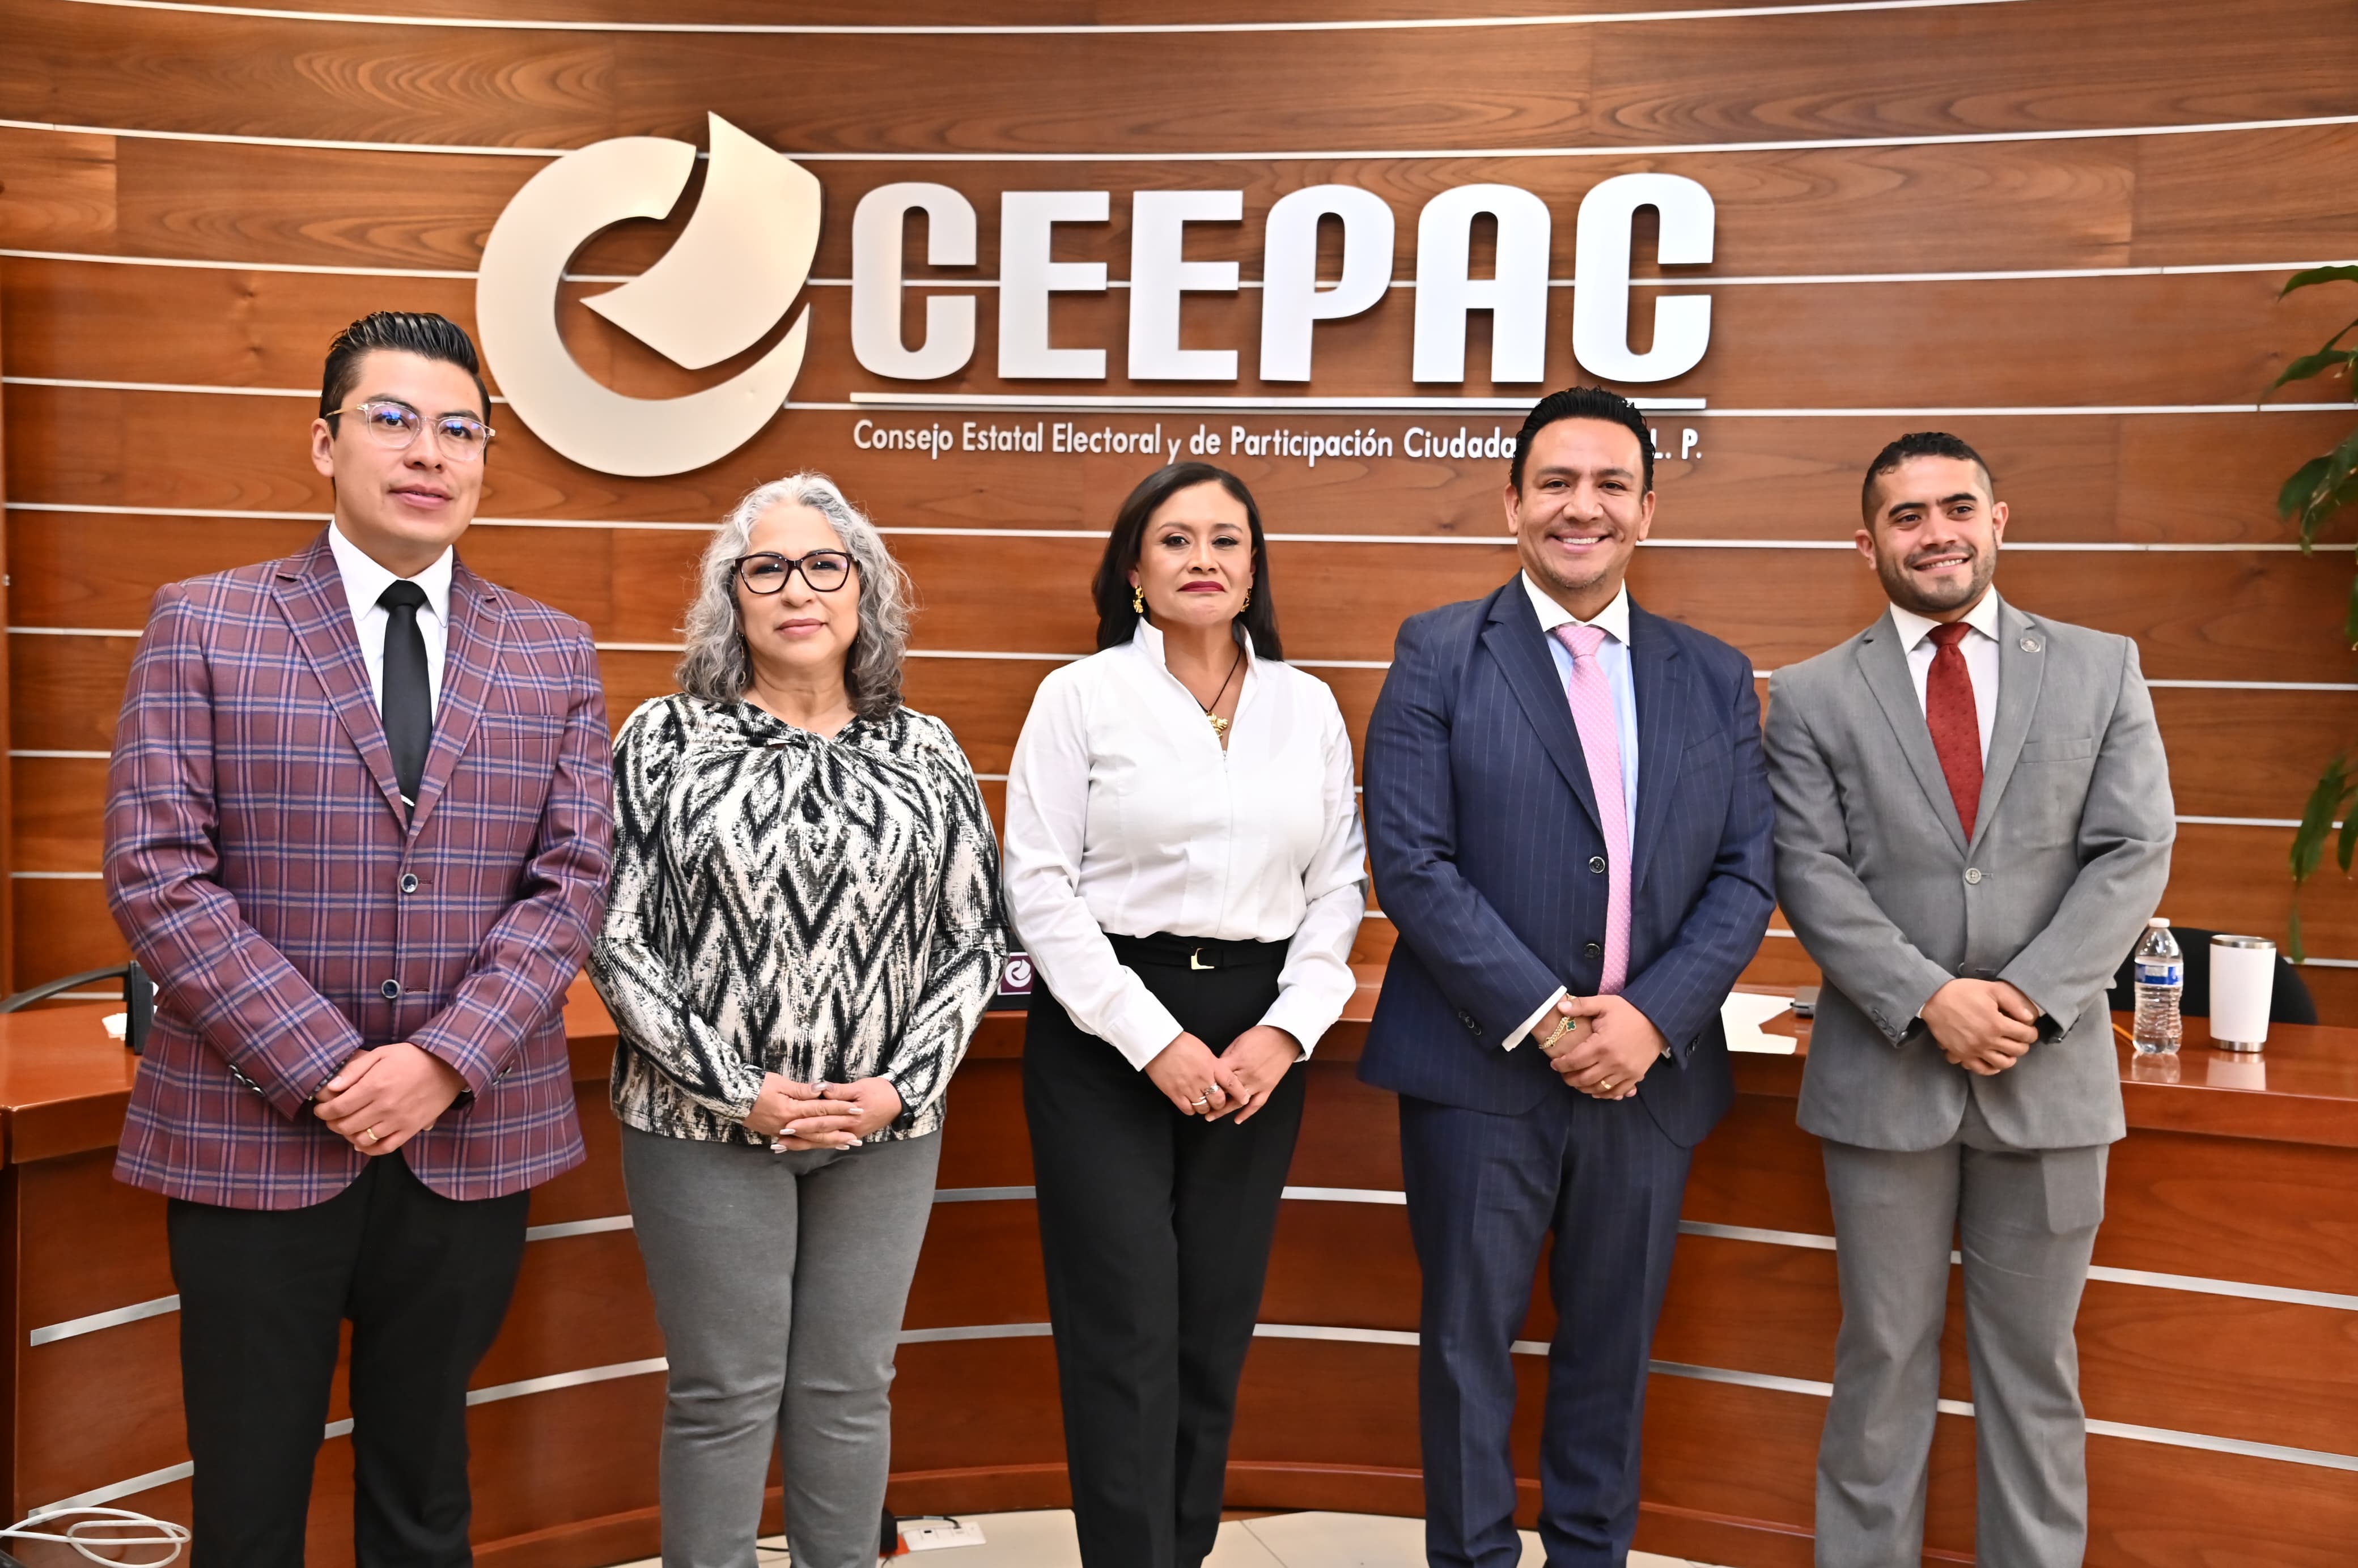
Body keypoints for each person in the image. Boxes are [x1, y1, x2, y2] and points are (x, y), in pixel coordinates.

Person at [103, 311, 613, 1566]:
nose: (428, 452)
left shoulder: (551, 649)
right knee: (247, 1502)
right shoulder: (205, 622)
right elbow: (157, 871)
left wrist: (441, 1061)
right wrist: (329, 1067)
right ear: (325, 444)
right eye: (393, 420)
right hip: (252, 1128)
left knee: (424, 1495)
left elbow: (571, 883)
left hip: (467, 1135)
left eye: (460, 430)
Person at [1360, 386, 1775, 1567]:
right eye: (1554, 483)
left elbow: (1747, 874)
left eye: (1608, 484)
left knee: (1613, 1347)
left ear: (1647, 510)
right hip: (1478, 1071)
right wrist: (1550, 1019)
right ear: (1511, 504)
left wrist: (1649, 1019)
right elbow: (1412, 861)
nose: (1579, 507)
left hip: (1650, 1080)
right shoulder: (1440, 650)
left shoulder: (1713, 673)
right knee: (1466, 1349)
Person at [1763, 432, 2172, 1568]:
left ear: (1999, 520)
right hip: (1884, 1078)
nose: (1934, 532)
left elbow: (2134, 848)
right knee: (1881, 1362)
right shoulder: (1810, 695)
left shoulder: (2100, 667)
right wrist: (1928, 996)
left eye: (1956, 507)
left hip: (2051, 1085)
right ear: (1868, 544)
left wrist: (2028, 998)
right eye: (1906, 516)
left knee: (2035, 1373)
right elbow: (1809, 870)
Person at [590, 473, 1006, 1568]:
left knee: (849, 1390)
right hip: (702, 1131)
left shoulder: (929, 751)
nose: (797, 590)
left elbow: (975, 942)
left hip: (884, 1134)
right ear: (730, 598)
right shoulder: (663, 738)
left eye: (824, 566)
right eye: (765, 569)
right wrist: (741, 1089)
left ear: (865, 591)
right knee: (725, 1392)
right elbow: (613, 938)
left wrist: (901, 1087)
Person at [1002, 461, 1367, 1568]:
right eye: (1174, 539)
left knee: (1213, 1323)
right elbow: (1037, 885)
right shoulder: (1081, 696)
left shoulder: (1305, 706)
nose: (1202, 559)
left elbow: (1338, 887)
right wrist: (1152, 1039)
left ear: (1255, 569)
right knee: (1122, 1328)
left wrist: (1286, 1030)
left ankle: (1185, 1551)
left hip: (1256, 1033)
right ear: (1134, 568)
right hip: (1105, 1030)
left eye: (1225, 539)